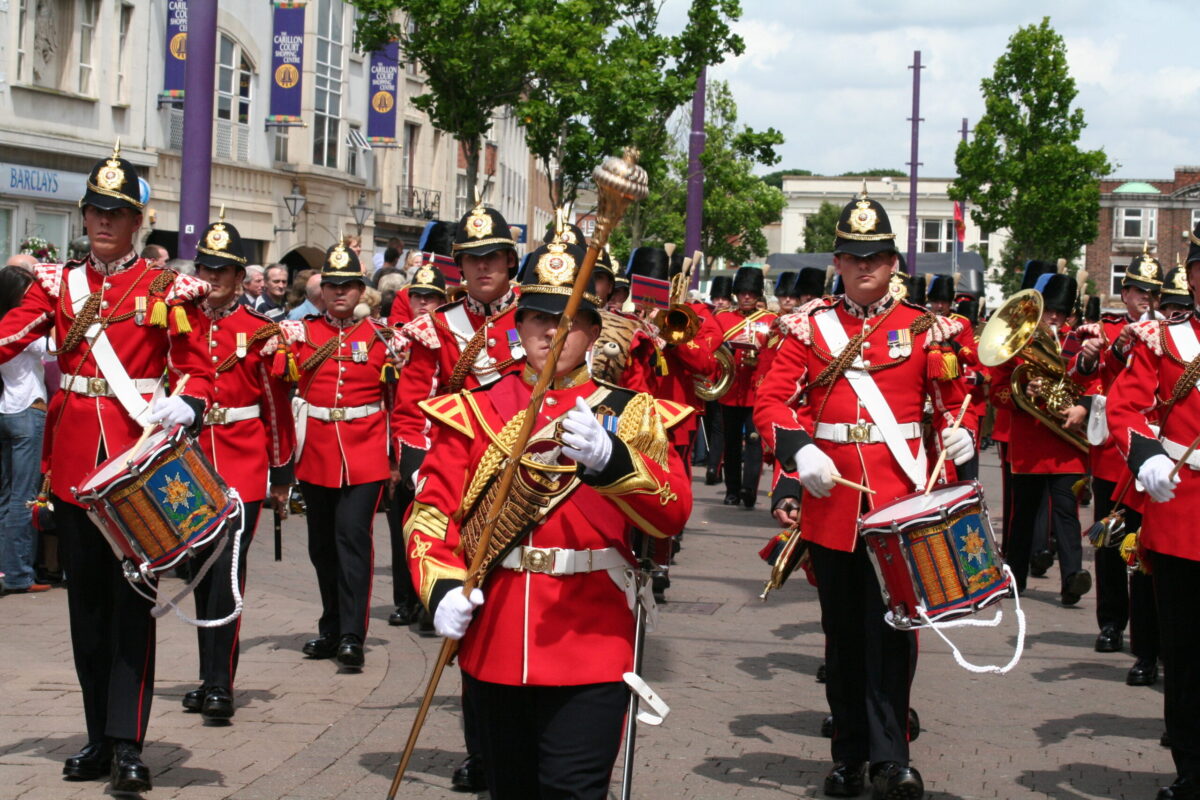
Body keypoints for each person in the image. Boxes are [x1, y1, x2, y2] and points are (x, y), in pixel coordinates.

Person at [403, 238, 692, 799]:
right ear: (518, 323)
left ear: (591, 330)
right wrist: (439, 589)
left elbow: (672, 515)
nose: (551, 331)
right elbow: (430, 515)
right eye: (537, 317)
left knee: (574, 790)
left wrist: (615, 463)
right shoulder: (476, 409)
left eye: (568, 319)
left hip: (593, 633)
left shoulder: (630, 413)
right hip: (497, 631)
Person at [0, 145, 214, 792]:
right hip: (71, 469)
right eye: (95, 210)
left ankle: (127, 742)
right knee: (85, 609)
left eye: (115, 214)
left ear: (137, 222)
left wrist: (185, 404)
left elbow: (200, 366)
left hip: (132, 468)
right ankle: (97, 736)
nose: (102, 222)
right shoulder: (58, 284)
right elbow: (10, 332)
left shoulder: (164, 287)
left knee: (128, 609)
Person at [755, 192, 974, 800]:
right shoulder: (808, 328)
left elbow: (958, 398)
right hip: (833, 505)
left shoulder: (927, 329)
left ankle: (892, 756)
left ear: (894, 261)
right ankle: (849, 756)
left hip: (898, 505)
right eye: (854, 258)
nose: (865, 267)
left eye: (875, 256)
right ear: (838, 261)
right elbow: (772, 401)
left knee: (896, 634)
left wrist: (962, 433)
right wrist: (800, 453)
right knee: (843, 637)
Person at [393, 203, 525, 791]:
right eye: (471, 259)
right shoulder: (438, 329)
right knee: (470, 618)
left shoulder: (536, 317)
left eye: (492, 256)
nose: (481, 268)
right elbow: (415, 411)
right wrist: (425, 478)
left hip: (527, 485)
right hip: (465, 488)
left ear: (509, 261)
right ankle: (482, 747)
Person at [182, 216, 295, 721]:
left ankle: (219, 683)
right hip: (187, 463)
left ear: (237, 275)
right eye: (206, 268)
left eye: (223, 271)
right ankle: (206, 676)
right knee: (195, 573)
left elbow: (274, 406)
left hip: (241, 463)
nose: (213, 279)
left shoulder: (261, 331)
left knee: (226, 574)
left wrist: (280, 473)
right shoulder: (179, 322)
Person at [1106, 223, 1200, 800]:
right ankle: (1191, 767)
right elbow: (1127, 408)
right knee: (1186, 653)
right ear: (1192, 278)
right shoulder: (1165, 340)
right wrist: (1148, 460)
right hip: (1183, 506)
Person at [277, 243, 394, 670]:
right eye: (333, 286)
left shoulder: (381, 337)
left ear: (361, 290)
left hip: (364, 450)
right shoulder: (302, 333)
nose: (340, 293)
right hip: (317, 449)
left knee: (352, 540)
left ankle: (351, 634)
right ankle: (330, 627)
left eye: (348, 286)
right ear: (321, 291)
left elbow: (395, 399)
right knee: (322, 546)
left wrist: (396, 459)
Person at [1071, 249, 1161, 685]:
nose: (1145, 298)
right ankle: (1111, 623)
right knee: (1110, 544)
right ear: (1124, 292)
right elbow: (1083, 375)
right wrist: (1092, 354)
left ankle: (1153, 636)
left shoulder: (1168, 331)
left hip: (1162, 453)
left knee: (1148, 552)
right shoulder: (1107, 328)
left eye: (1153, 292)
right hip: (1114, 454)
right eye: (1138, 290)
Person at [991, 271, 1092, 603]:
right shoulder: (1018, 342)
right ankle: (1014, 577)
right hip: (1030, 442)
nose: (1053, 318)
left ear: (1068, 315)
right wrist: (1023, 390)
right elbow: (997, 393)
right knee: (1023, 514)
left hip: (1066, 443)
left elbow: (1093, 384)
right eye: (1050, 311)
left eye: (1060, 314)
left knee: (1067, 511)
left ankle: (1072, 576)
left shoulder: (1078, 342)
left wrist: (1081, 407)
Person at [385, 263, 447, 628]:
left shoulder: (450, 335)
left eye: (432, 297)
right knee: (401, 526)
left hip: (438, 443)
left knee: (436, 528)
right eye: (418, 295)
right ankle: (404, 600)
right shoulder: (392, 337)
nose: (424, 302)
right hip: (401, 443)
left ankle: (431, 600)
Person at [0, 265, 50, 594]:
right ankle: (19, 573)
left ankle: (8, 569)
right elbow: (53, 349)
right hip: (28, 407)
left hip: (5, 407)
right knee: (24, 497)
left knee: (6, 496)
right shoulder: (21, 325)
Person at [715, 266, 776, 508]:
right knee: (730, 443)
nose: (747, 296)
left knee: (754, 441)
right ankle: (731, 489)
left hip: (756, 390)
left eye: (751, 292)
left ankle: (749, 489)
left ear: (758, 294)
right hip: (730, 389)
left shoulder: (770, 320)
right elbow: (714, 348)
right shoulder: (723, 319)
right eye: (742, 292)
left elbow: (774, 355)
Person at [703, 274, 734, 485]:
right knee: (709, 423)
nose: (720, 302)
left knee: (719, 426)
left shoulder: (733, 320)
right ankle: (713, 463)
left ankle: (715, 466)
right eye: (717, 298)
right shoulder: (707, 318)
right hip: (707, 378)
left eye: (723, 298)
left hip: (727, 381)